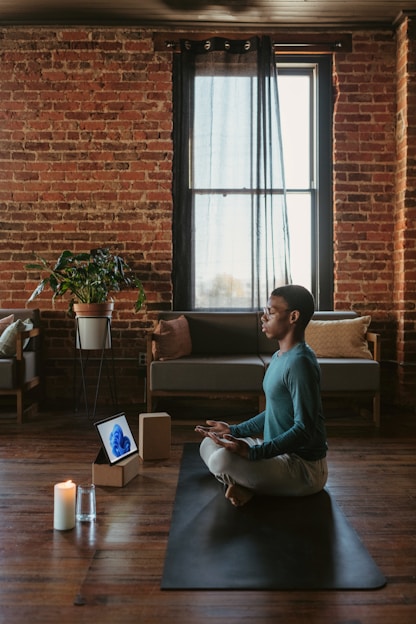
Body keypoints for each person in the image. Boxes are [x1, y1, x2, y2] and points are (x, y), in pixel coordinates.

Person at [195, 284, 328, 507]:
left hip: (305, 469)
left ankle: (248, 484)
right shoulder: (279, 356)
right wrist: (233, 430)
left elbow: (304, 428)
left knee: (221, 460)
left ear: (293, 316)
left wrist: (255, 453)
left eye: (271, 312)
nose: (263, 318)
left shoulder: (301, 363)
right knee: (209, 445)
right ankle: (248, 485)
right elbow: (275, 411)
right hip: (277, 454)